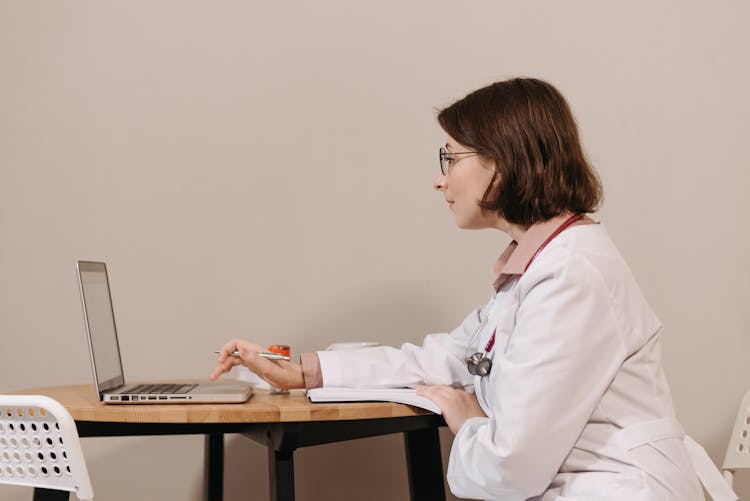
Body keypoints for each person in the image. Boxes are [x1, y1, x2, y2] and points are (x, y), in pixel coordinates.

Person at [211, 78, 730, 500]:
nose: (440, 180)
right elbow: (447, 358)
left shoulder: (572, 275)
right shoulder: (540, 264)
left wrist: (470, 422)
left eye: (451, 159)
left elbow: (512, 468)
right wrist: (302, 370)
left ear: (502, 164)